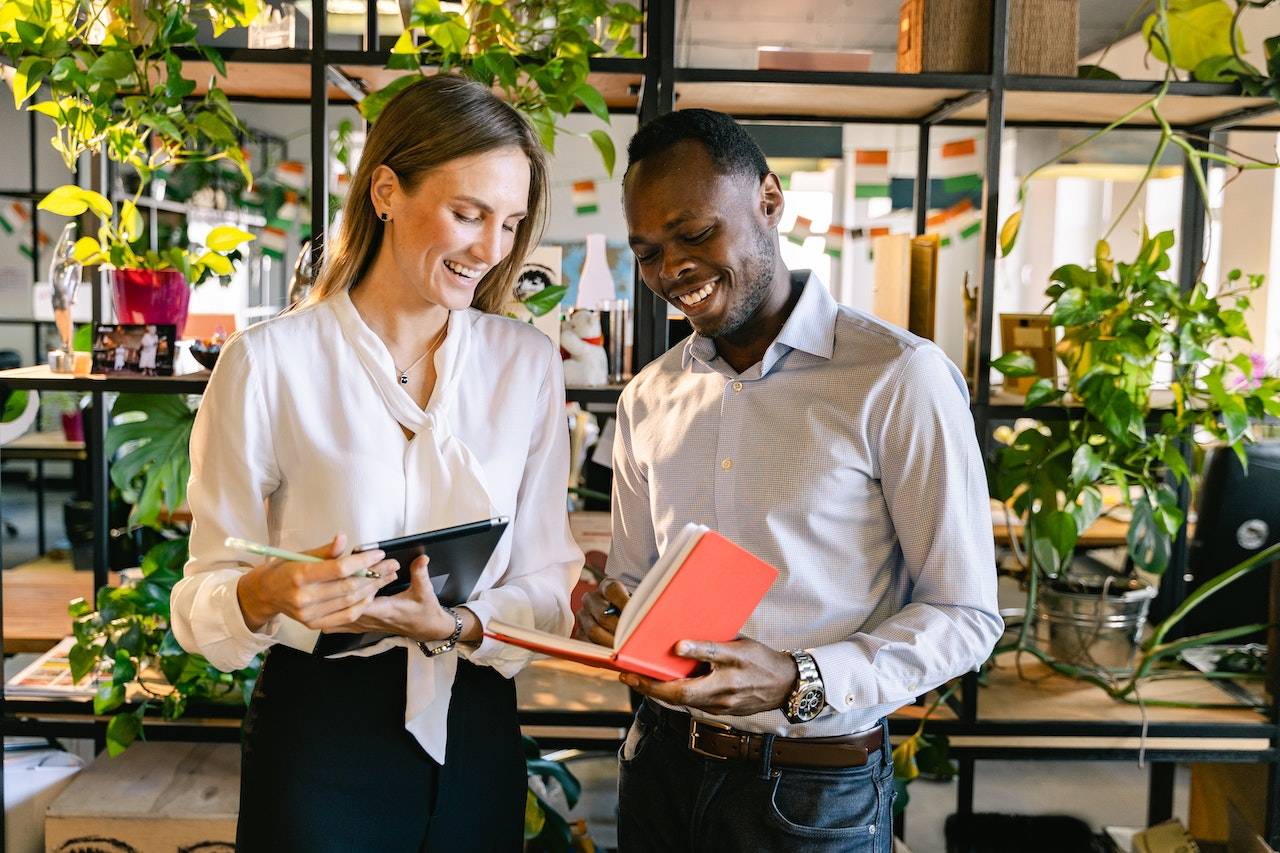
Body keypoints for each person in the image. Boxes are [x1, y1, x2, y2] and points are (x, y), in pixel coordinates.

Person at [171, 75, 582, 851]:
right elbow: (201, 595)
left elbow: (547, 581)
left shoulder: (525, 363)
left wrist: (459, 621)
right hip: (321, 731)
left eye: (511, 222)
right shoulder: (269, 363)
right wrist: (264, 592)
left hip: (476, 724)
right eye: (468, 214)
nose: (491, 249)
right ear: (386, 190)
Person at [577, 109, 1003, 852]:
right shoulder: (648, 394)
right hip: (657, 769)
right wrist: (612, 617)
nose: (670, 268)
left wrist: (797, 676)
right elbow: (635, 581)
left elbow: (967, 615)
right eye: (648, 252)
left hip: (812, 790)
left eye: (695, 233)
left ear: (770, 200)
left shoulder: (898, 377)